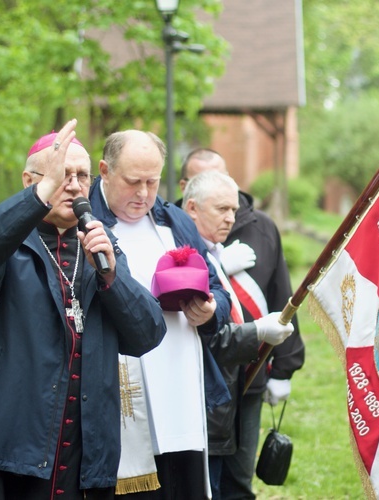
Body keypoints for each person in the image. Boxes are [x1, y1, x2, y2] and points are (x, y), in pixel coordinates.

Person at [0, 119, 167, 500]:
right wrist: (41, 195)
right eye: (61, 175)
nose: (74, 185)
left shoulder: (98, 246)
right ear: (31, 181)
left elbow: (148, 333)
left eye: (81, 175)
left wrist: (111, 279)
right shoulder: (5, 243)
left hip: (83, 448)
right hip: (7, 445)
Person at [88, 130, 231, 499]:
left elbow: (218, 289)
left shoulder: (174, 221)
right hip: (122, 388)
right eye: (133, 181)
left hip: (180, 386)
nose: (143, 194)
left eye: (152, 182)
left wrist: (210, 310)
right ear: (104, 170)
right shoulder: (85, 223)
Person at [179, 148, 305, 499]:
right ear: (188, 190)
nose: (229, 217)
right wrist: (213, 267)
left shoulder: (261, 226)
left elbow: (281, 294)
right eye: (220, 207)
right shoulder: (171, 227)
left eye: (231, 204)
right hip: (204, 378)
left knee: (237, 480)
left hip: (249, 375)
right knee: (204, 480)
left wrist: (284, 368)